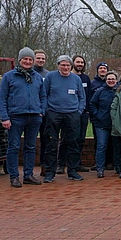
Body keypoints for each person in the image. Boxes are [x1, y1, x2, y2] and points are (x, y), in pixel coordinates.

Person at [0, 47, 46, 187]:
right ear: (20, 60)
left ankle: (28, 175)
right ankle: (14, 176)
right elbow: (2, 98)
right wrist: (4, 117)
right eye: (25, 59)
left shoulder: (37, 77)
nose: (28, 61)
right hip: (15, 117)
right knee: (13, 147)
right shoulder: (9, 76)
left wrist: (41, 110)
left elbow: (43, 96)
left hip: (34, 117)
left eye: (30, 59)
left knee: (31, 147)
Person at [42, 55, 86, 183]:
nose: (65, 67)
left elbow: (82, 97)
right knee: (51, 143)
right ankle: (50, 172)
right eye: (63, 65)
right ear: (58, 65)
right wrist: (47, 110)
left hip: (72, 114)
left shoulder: (76, 79)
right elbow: (44, 94)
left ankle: (72, 170)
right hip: (54, 113)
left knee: (72, 143)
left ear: (71, 66)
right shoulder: (50, 77)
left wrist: (79, 111)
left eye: (68, 65)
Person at [57, 54, 92, 173]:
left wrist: (85, 110)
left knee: (80, 139)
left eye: (82, 62)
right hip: (69, 113)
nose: (80, 64)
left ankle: (77, 163)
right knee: (65, 139)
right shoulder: (67, 77)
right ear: (73, 64)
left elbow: (86, 96)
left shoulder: (86, 78)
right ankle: (61, 164)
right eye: (78, 62)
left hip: (82, 114)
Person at [89, 71, 118, 178]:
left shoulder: (119, 91)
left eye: (113, 79)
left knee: (117, 146)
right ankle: (100, 168)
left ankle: (118, 166)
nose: (111, 81)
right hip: (101, 123)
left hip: (116, 124)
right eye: (109, 79)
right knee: (101, 146)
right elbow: (92, 104)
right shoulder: (99, 91)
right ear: (106, 80)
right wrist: (98, 115)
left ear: (116, 80)